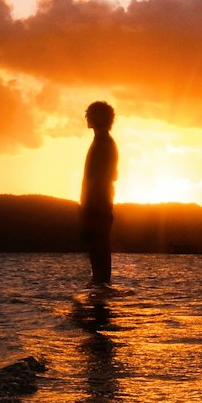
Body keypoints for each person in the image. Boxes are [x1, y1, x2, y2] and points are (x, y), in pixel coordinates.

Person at [80, 100, 118, 287]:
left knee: (99, 250)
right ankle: (99, 286)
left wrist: (90, 208)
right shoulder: (102, 142)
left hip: (98, 205)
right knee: (97, 252)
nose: (87, 117)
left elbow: (103, 178)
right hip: (97, 205)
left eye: (91, 114)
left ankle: (101, 288)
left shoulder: (104, 144)